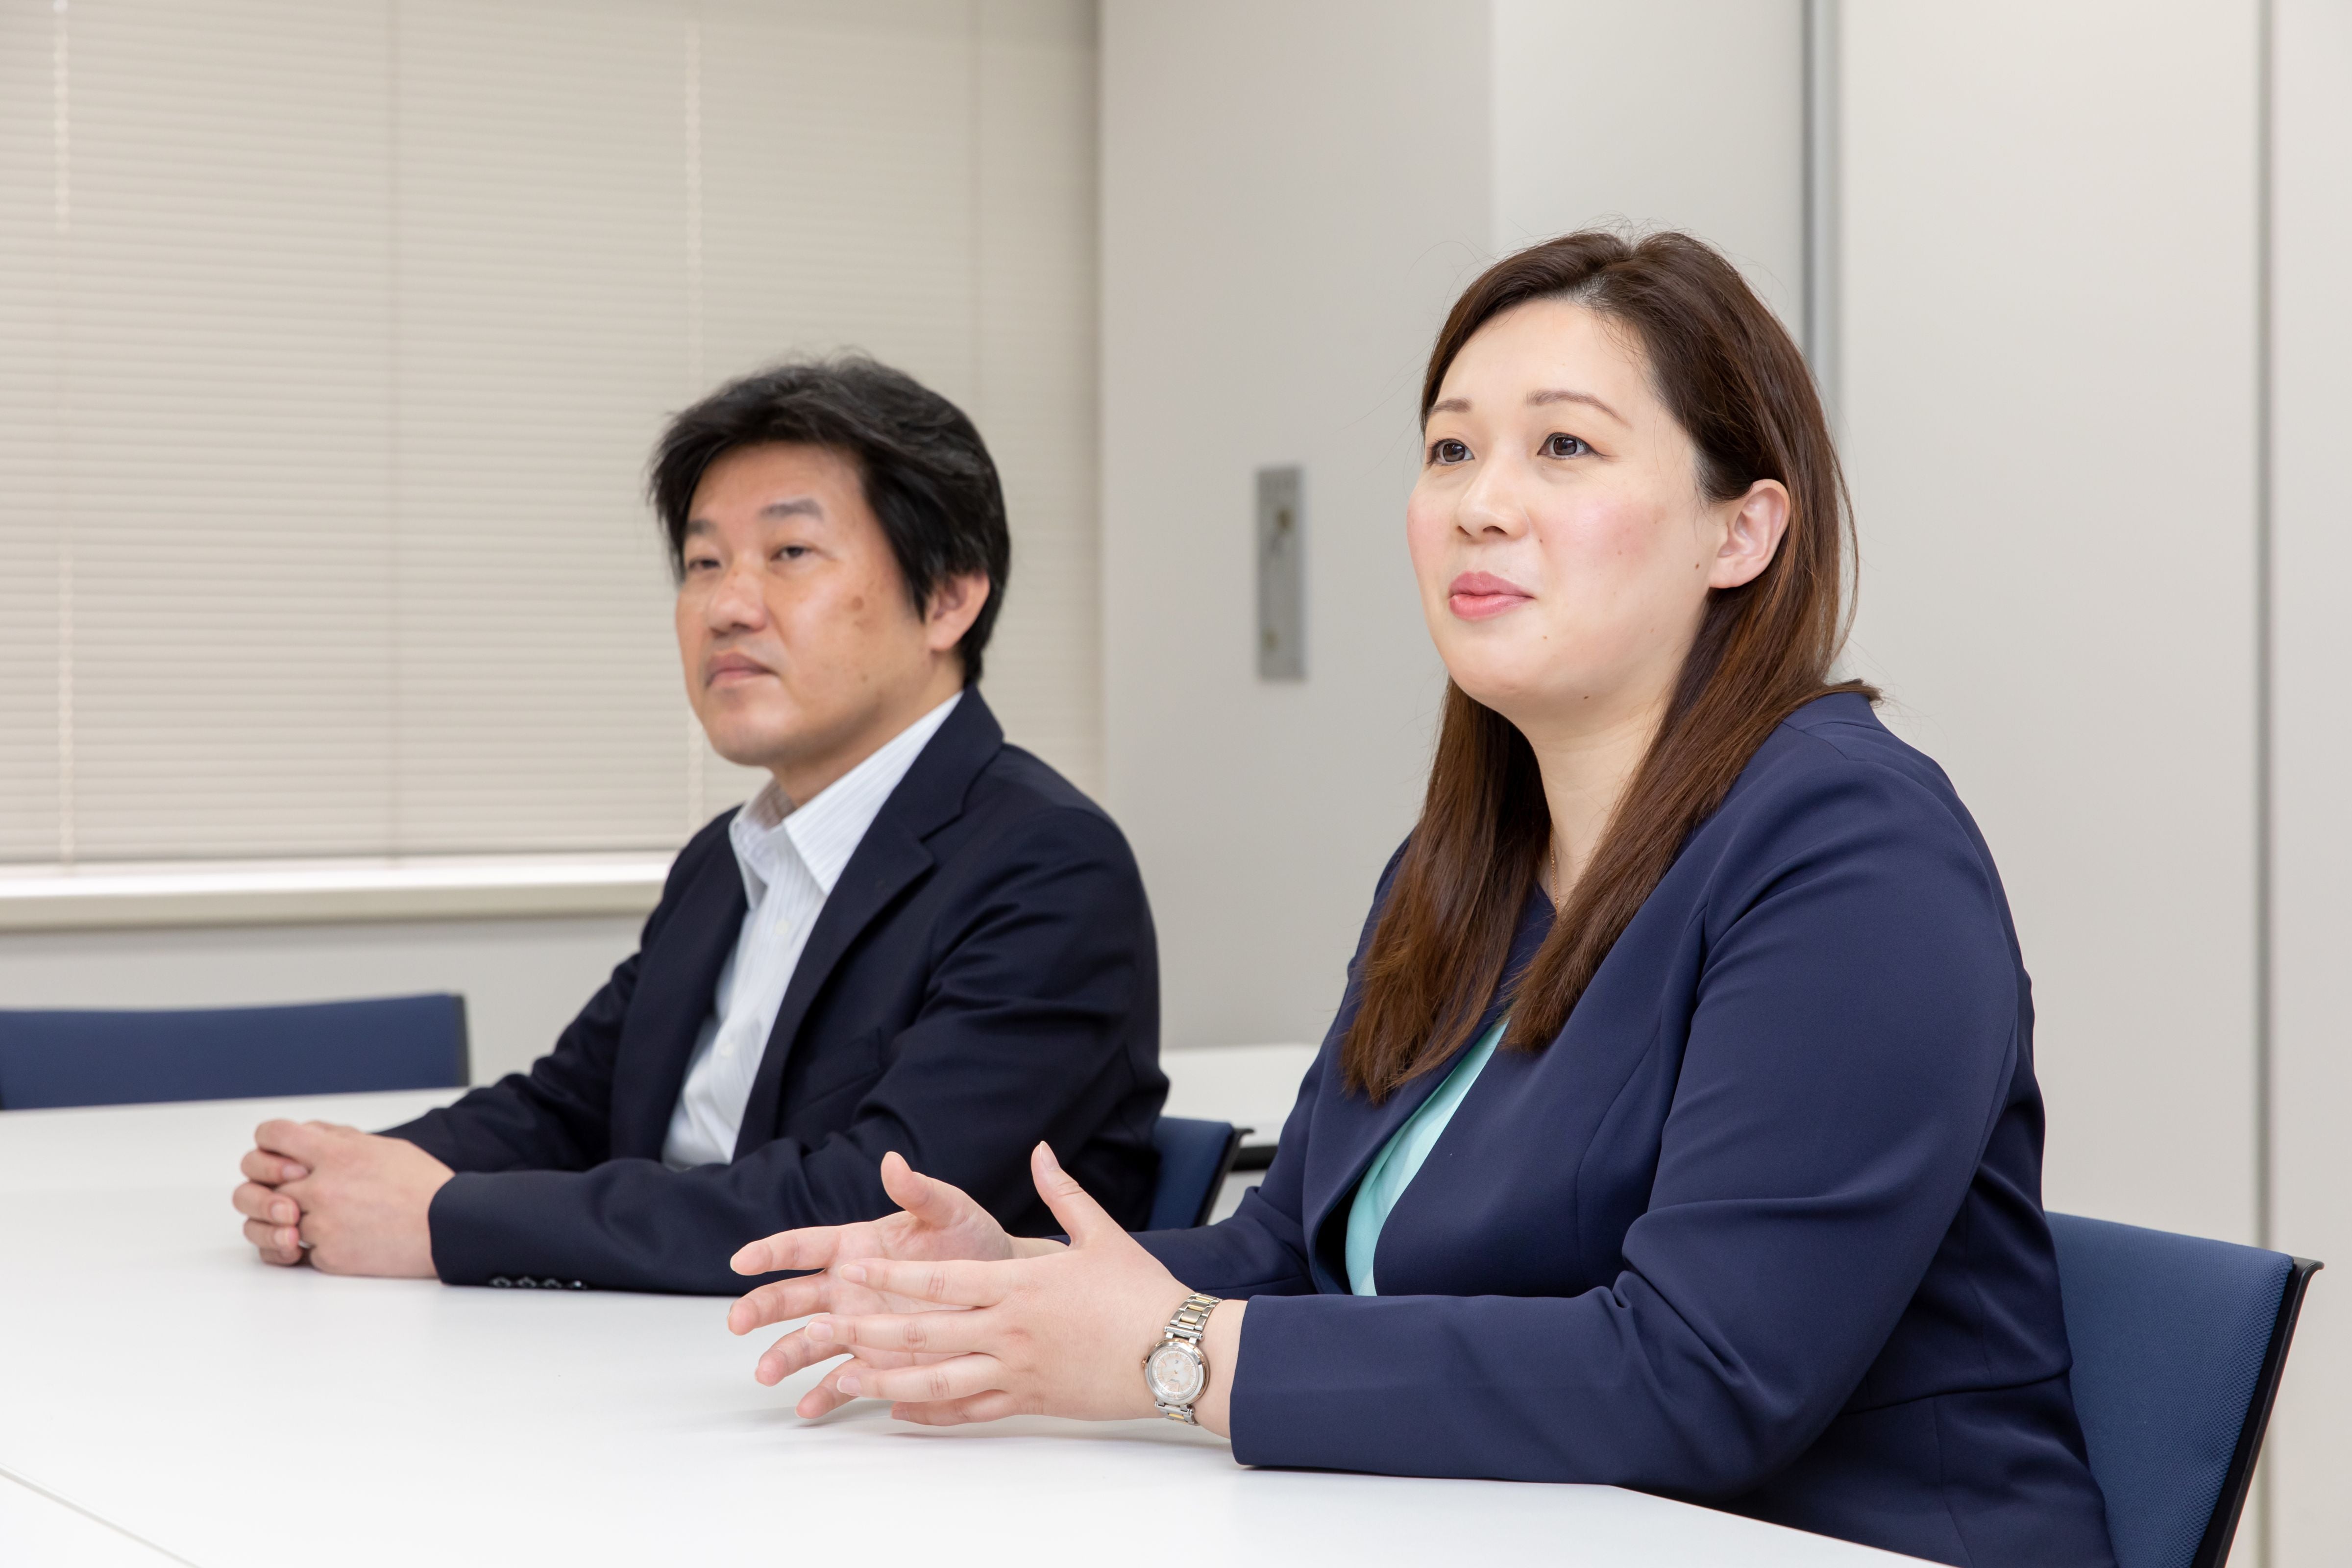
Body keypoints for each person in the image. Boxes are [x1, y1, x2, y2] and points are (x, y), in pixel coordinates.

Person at [721, 234, 2118, 1566]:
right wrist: (1016, 1287)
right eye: (1450, 449)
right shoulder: (1463, 863)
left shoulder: (1854, 847)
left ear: (1741, 531)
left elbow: (1702, 1375)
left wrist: (1172, 1355)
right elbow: (1290, 1251)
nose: (1478, 502)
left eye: (1563, 447)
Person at [230, 358, 1167, 1295]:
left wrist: (445, 1221)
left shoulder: (1047, 865)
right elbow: (572, 1109)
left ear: (950, 598)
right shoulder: (729, 856)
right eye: (703, 563)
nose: (726, 606)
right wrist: (341, 1177)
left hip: (875, 1378)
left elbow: (870, 1210)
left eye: (790, 553)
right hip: (666, 1345)